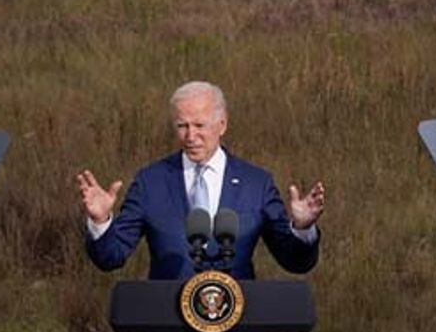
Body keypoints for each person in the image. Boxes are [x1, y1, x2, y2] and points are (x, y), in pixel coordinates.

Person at [76, 81, 326, 280]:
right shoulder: (150, 182)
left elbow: (295, 261)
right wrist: (101, 222)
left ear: (222, 124)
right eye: (182, 126)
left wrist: (303, 229)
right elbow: (111, 257)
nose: (190, 136)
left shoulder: (256, 184)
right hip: (167, 325)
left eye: (199, 125)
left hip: (237, 328)